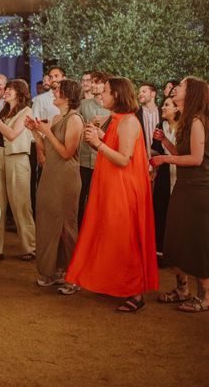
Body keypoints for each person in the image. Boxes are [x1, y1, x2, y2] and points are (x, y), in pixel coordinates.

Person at [65, 77, 158, 311]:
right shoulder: (115, 120)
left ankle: (136, 294)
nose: (101, 95)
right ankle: (118, 284)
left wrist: (98, 143)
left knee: (125, 237)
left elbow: (123, 159)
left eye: (105, 91)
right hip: (111, 185)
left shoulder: (128, 121)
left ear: (116, 95)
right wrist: (99, 134)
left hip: (123, 189)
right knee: (111, 235)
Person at [151, 76, 209, 313]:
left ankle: (205, 297)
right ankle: (182, 289)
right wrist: (165, 141)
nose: (176, 88)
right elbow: (184, 153)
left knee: (196, 243)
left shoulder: (197, 120)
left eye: (182, 85)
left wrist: (164, 158)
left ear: (192, 92)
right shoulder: (187, 121)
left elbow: (195, 159)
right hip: (184, 188)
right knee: (175, 239)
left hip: (198, 190)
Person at [26, 80, 84, 287]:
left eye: (58, 90)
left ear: (67, 96)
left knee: (66, 226)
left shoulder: (75, 119)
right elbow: (48, 148)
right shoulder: (57, 117)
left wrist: (47, 131)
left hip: (66, 178)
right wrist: (35, 131)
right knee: (49, 223)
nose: (54, 92)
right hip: (50, 174)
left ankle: (72, 276)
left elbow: (67, 153)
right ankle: (54, 270)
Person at [0, 79, 35, 263]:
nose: (6, 91)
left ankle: (30, 246)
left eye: (10, 89)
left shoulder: (26, 111)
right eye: (6, 89)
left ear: (20, 92)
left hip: (17, 158)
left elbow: (12, 135)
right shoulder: (4, 111)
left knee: (21, 204)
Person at [77, 71, 110, 227]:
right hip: (83, 158)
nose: (93, 85)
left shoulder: (112, 108)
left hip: (103, 158)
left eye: (97, 82)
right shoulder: (83, 104)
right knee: (80, 196)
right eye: (92, 82)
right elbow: (76, 127)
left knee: (100, 199)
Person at [151, 96, 179, 257]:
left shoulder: (185, 126)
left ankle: (176, 252)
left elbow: (183, 154)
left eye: (167, 105)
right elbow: (155, 149)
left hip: (181, 171)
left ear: (176, 109)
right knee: (160, 210)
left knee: (176, 212)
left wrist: (164, 140)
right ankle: (160, 251)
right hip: (163, 172)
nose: (162, 107)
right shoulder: (160, 125)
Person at [136, 82, 160, 159]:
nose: (140, 94)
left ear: (153, 94)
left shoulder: (163, 113)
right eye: (139, 92)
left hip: (162, 162)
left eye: (144, 91)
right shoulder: (135, 114)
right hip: (142, 159)